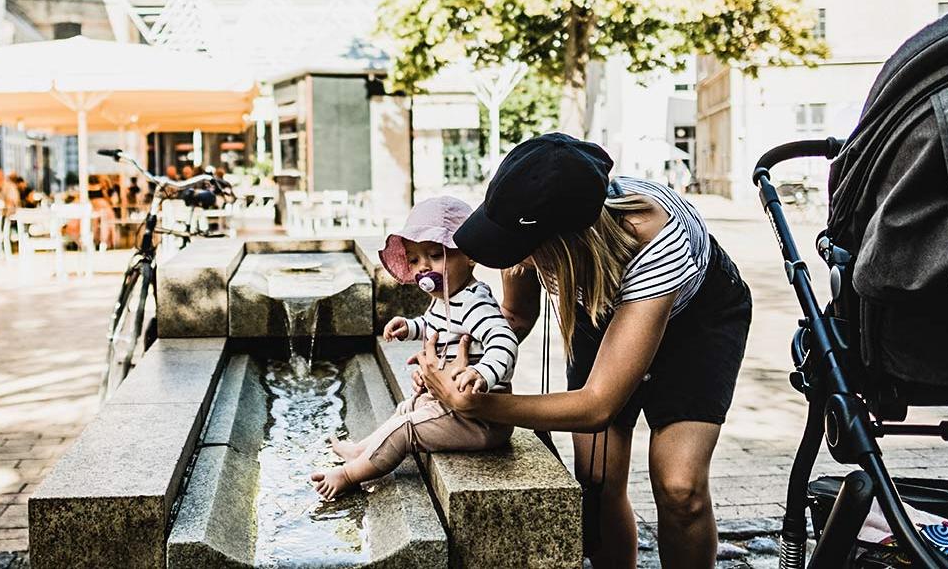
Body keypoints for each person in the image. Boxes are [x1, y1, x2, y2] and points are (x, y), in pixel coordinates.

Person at [415, 133, 752, 568]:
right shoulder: (523, 217)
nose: (518, 262)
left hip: (696, 323)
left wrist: (477, 404)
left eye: (527, 253)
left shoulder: (657, 238)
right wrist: (466, 366)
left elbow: (597, 407)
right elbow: (515, 317)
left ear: (566, 244)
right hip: (599, 304)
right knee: (597, 479)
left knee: (679, 488)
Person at [310, 196, 518, 499]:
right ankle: (360, 450)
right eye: (414, 260)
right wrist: (411, 327)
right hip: (453, 407)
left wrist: (482, 372)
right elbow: (434, 324)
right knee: (407, 408)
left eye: (435, 255)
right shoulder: (445, 299)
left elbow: (504, 341)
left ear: (470, 255)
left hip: (481, 419)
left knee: (405, 429)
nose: (424, 268)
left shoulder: (475, 303)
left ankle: (349, 474)